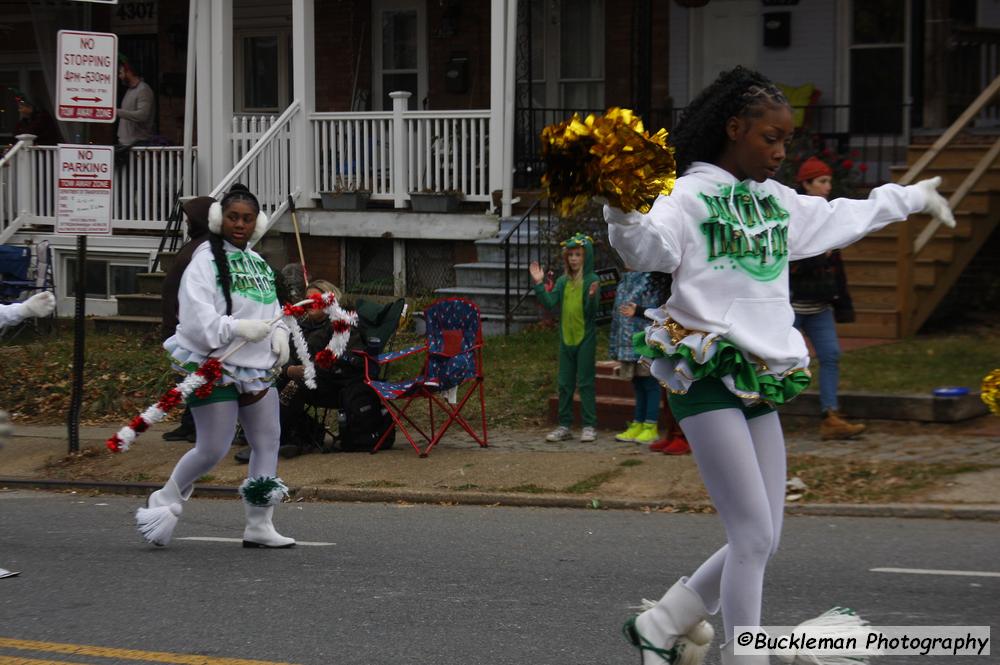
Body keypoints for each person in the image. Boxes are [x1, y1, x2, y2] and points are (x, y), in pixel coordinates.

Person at [603, 66, 954, 664]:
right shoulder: (687, 196)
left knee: (765, 536)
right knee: (753, 535)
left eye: (787, 139)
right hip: (706, 370)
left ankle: (663, 623)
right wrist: (623, 210)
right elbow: (646, 248)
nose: (781, 151)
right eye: (771, 138)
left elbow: (840, 216)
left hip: (759, 373)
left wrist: (911, 197)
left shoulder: (775, 202)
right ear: (734, 129)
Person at [136, 184, 296, 549]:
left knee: (267, 440)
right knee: (213, 447)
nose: (239, 224)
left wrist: (281, 333)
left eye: (247, 218)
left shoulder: (257, 263)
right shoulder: (203, 260)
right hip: (214, 363)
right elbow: (195, 318)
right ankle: (165, 499)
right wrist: (235, 327)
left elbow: (273, 311)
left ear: (257, 223)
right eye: (233, 216)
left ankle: (259, 523)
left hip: (256, 367)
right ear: (218, 219)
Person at [790, 157, 865, 440]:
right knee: (780, 360)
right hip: (791, 306)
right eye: (821, 181)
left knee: (831, 355)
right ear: (806, 184)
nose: (827, 187)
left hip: (819, 306)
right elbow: (789, 262)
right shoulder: (793, 217)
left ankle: (830, 415)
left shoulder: (828, 217)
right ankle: (762, 407)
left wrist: (842, 303)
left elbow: (837, 268)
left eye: (828, 181)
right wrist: (820, 254)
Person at [529, 233, 601, 443]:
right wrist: (539, 283)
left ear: (585, 256)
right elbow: (550, 303)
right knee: (564, 383)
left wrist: (591, 297)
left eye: (578, 255)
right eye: (571, 255)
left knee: (586, 383)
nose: (574, 259)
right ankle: (564, 425)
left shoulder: (592, 280)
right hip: (566, 340)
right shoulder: (562, 281)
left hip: (585, 338)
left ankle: (589, 426)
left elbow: (591, 312)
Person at [160, 196, 214, 443]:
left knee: (195, 376)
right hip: (178, 323)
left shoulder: (207, 250)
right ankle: (190, 423)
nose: (187, 223)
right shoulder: (196, 244)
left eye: (190, 219)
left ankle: (196, 426)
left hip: (190, 326)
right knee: (189, 375)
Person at [610, 269, 671, 446]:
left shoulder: (652, 278)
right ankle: (638, 422)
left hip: (645, 340)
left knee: (649, 383)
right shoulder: (625, 279)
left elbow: (658, 311)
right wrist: (615, 345)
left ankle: (650, 426)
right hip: (626, 341)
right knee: (637, 383)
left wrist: (639, 312)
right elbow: (617, 314)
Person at [115, 56, 154, 168]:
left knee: (136, 182)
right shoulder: (130, 90)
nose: (120, 76)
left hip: (137, 145)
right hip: (125, 144)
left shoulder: (143, 90)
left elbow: (142, 115)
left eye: (121, 72)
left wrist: (116, 112)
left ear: (129, 72)